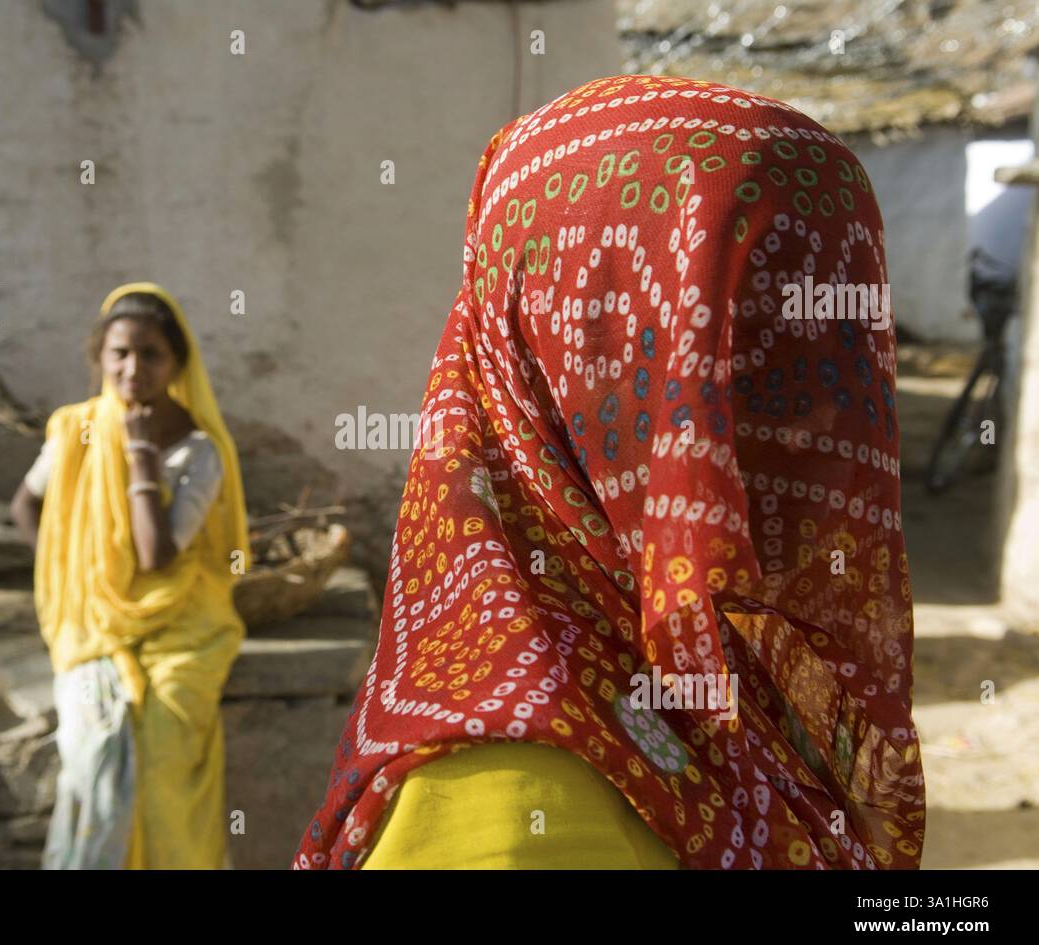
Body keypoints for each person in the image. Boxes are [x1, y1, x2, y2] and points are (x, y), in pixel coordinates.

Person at [294, 74, 925, 870]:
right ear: (573, 372)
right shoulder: (517, 823)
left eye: (837, 342)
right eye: (749, 351)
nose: (827, 414)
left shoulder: (753, 685)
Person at [10, 282, 249, 869]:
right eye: (119, 353)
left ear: (177, 363)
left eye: (151, 354)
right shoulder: (77, 430)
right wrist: (69, 567)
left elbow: (156, 556)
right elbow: (23, 504)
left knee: (166, 745)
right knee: (93, 748)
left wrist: (141, 456)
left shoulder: (201, 451)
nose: (133, 368)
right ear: (100, 358)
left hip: (182, 621)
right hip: (92, 622)